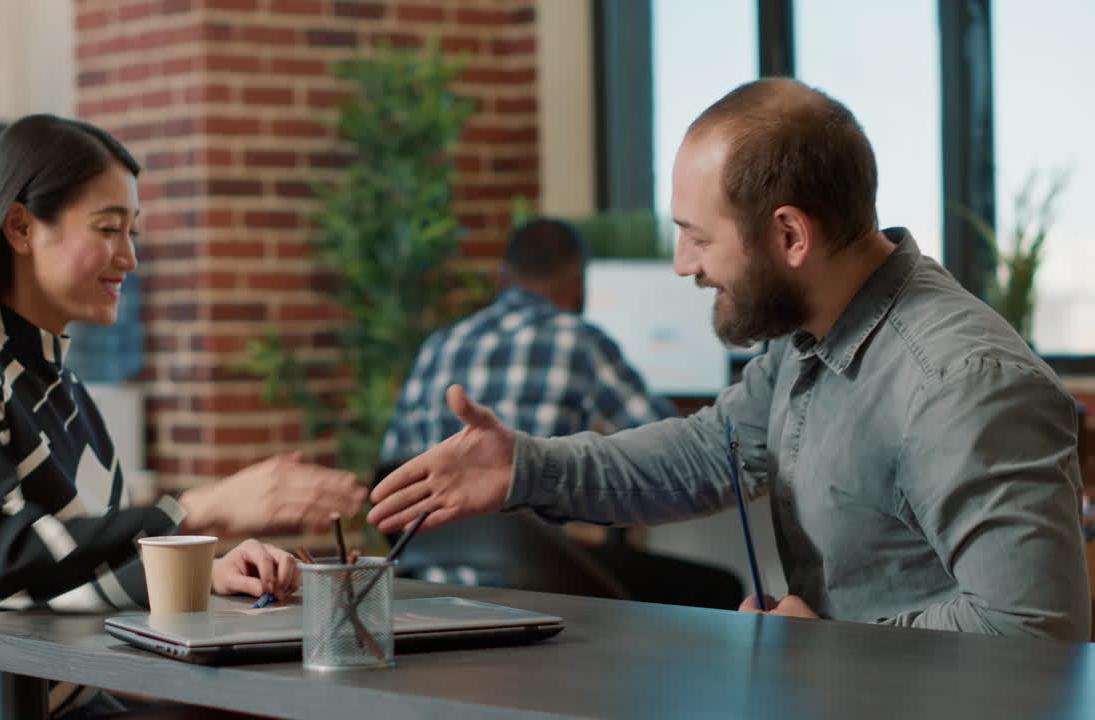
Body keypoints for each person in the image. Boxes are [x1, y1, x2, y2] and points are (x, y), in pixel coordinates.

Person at [369, 78, 1091, 642]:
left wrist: (834, 647)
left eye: (699, 237)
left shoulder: (964, 383)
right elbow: (702, 455)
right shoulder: (806, 336)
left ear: (790, 236)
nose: (683, 264)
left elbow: (1034, 630)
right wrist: (525, 467)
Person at [0, 115, 366, 720]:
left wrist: (203, 573)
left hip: (55, 695)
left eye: (133, 231)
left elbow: (65, 575)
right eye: (107, 229)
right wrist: (194, 509)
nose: (129, 257)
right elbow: (3, 558)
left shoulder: (65, 388)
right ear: (21, 227)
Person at [380, 217, 677, 465]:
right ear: (579, 288)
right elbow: (669, 447)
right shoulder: (579, 341)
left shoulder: (438, 345)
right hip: (534, 520)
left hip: (435, 521)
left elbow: (394, 466)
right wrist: (601, 446)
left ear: (502, 278)